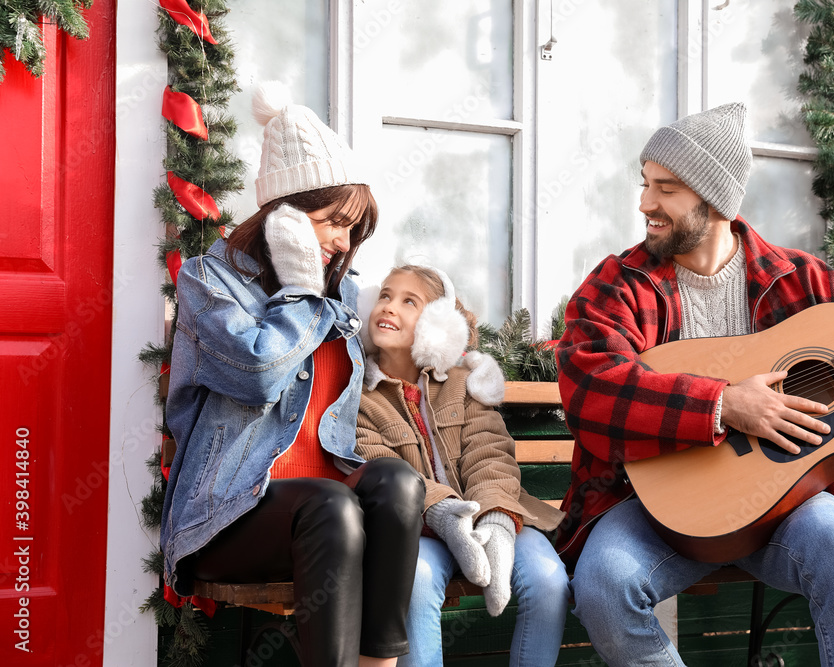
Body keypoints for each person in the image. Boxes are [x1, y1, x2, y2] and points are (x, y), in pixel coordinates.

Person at [555, 102, 834, 666]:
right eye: (645, 184)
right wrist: (723, 405)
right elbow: (591, 387)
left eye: (665, 188)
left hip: (792, 503)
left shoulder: (805, 281)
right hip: (654, 507)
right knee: (604, 585)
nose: (645, 203)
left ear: (713, 200)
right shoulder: (618, 284)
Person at [160, 82, 425, 667]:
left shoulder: (345, 293)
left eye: (355, 230)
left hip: (325, 517)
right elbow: (257, 375)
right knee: (331, 505)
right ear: (286, 213)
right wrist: (301, 289)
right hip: (226, 513)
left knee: (397, 484)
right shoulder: (210, 282)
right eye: (333, 221)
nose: (343, 242)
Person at [355, 265, 570, 666]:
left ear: (436, 324)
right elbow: (378, 463)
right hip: (418, 530)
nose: (389, 307)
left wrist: (497, 520)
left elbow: (489, 453)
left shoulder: (462, 383)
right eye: (384, 295)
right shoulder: (361, 398)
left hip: (491, 510)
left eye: (408, 301)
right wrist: (443, 511)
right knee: (414, 583)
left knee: (547, 580)